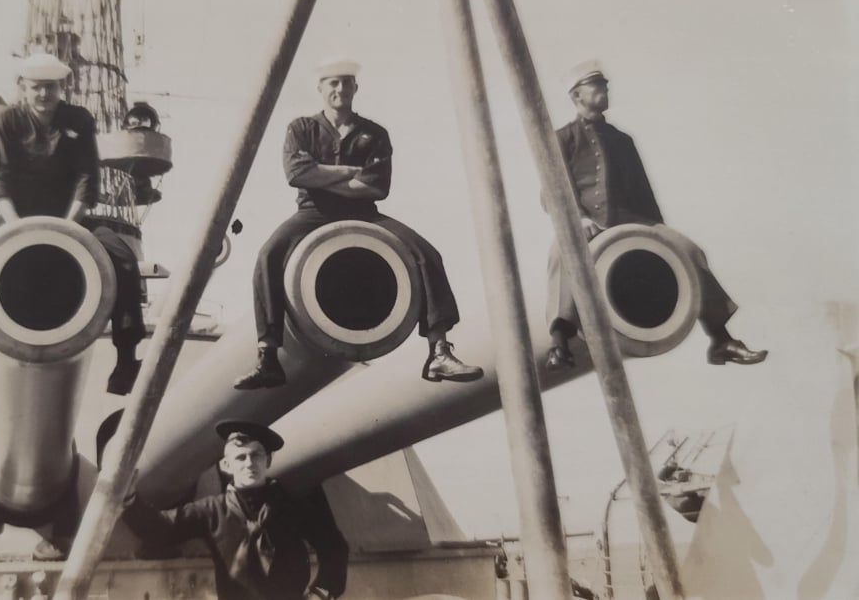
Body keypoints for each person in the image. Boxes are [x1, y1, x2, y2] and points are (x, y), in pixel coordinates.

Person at [235, 58, 483, 389]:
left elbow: (378, 186)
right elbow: (296, 174)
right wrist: (350, 173)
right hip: (313, 212)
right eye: (333, 83)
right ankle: (267, 355)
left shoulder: (374, 134)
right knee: (269, 254)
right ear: (321, 89)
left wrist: (321, 173)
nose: (340, 89)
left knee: (427, 254)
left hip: (364, 211)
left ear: (356, 88)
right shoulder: (301, 129)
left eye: (346, 83)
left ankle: (439, 350)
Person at [0, 52, 146, 399]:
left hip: (72, 217)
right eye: (36, 88)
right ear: (22, 88)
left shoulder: (78, 120)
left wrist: (65, 229)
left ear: (63, 87)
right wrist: (20, 231)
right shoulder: (8, 123)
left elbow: (86, 180)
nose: (44, 95)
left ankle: (126, 360)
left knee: (122, 258)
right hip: (16, 217)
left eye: (51, 87)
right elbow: (0, 182)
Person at [543, 60, 767, 371]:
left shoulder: (622, 140)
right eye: (596, 86)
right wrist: (578, 219)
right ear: (576, 95)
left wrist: (658, 227)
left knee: (688, 250)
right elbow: (552, 192)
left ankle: (720, 339)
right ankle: (558, 341)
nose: (604, 90)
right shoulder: (563, 138)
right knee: (560, 252)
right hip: (587, 222)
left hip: (631, 219)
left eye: (604, 85)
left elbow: (643, 191)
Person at [121, 420, 349, 600]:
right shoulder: (212, 511)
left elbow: (335, 547)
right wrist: (129, 498)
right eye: (240, 457)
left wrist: (321, 593)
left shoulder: (292, 506)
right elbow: (161, 529)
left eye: (256, 455)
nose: (249, 463)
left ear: (268, 461)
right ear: (226, 466)